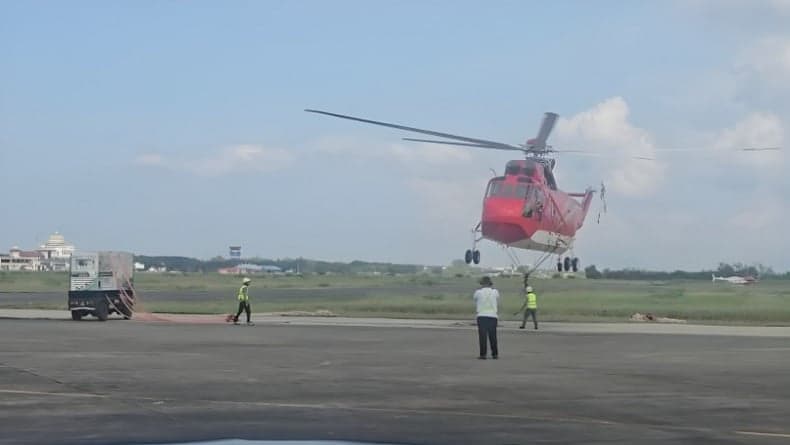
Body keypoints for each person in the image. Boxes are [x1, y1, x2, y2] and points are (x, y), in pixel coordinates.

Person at [473, 275, 500, 359]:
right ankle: (495, 354)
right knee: (493, 336)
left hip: (482, 316)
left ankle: (483, 354)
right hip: (493, 316)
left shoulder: (478, 292)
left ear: (482, 283)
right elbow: (497, 297)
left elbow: (475, 299)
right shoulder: (495, 291)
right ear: (490, 283)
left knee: (482, 336)